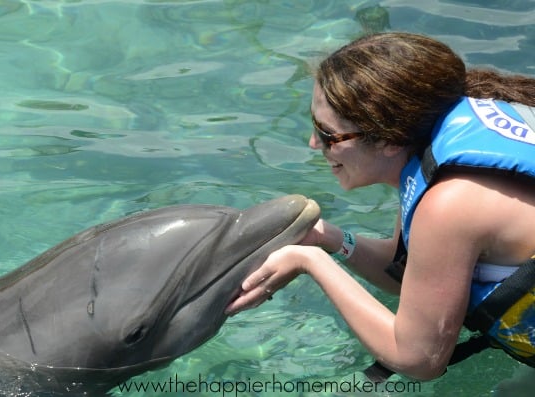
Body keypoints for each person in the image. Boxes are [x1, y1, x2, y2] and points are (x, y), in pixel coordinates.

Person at [225, 32, 535, 380]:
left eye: (329, 135)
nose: (314, 144)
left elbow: (419, 359)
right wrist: (326, 239)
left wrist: (308, 262)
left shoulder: (450, 205)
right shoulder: (445, 133)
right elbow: (409, 275)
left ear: (388, 139)